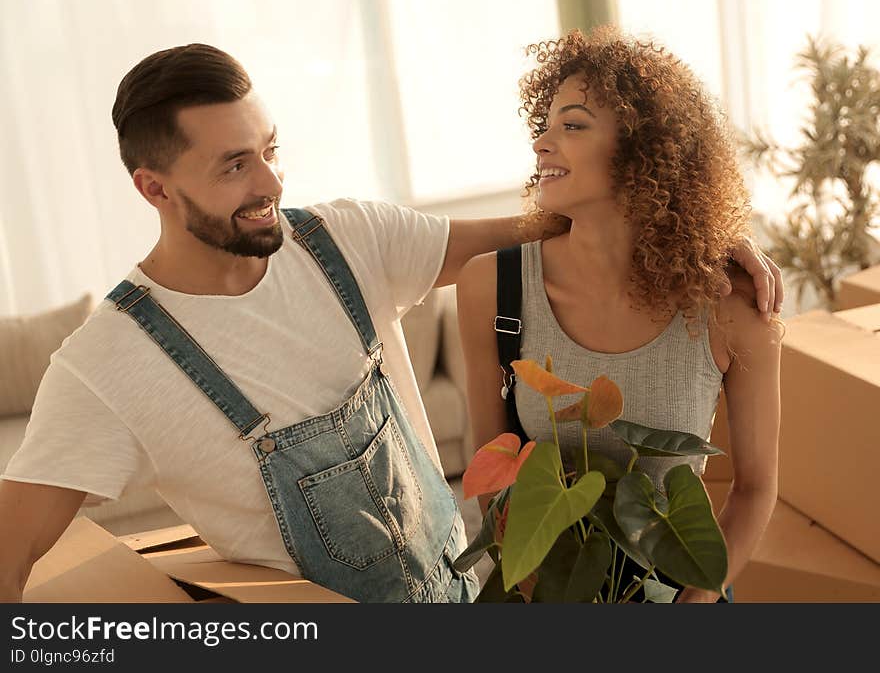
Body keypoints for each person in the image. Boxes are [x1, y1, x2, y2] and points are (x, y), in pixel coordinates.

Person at [0, 42, 779, 604]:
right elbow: (14, 552)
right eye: (234, 165)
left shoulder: (343, 239)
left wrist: (691, 228)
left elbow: (544, 227)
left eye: (269, 150)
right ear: (154, 188)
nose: (272, 181)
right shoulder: (108, 362)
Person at [457, 27, 782, 603]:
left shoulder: (732, 307)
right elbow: (492, 474)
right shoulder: (492, 287)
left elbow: (754, 489)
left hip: (685, 595)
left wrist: (695, 603)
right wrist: (540, 592)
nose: (542, 144)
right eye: (545, 126)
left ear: (643, 148)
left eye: (573, 124)